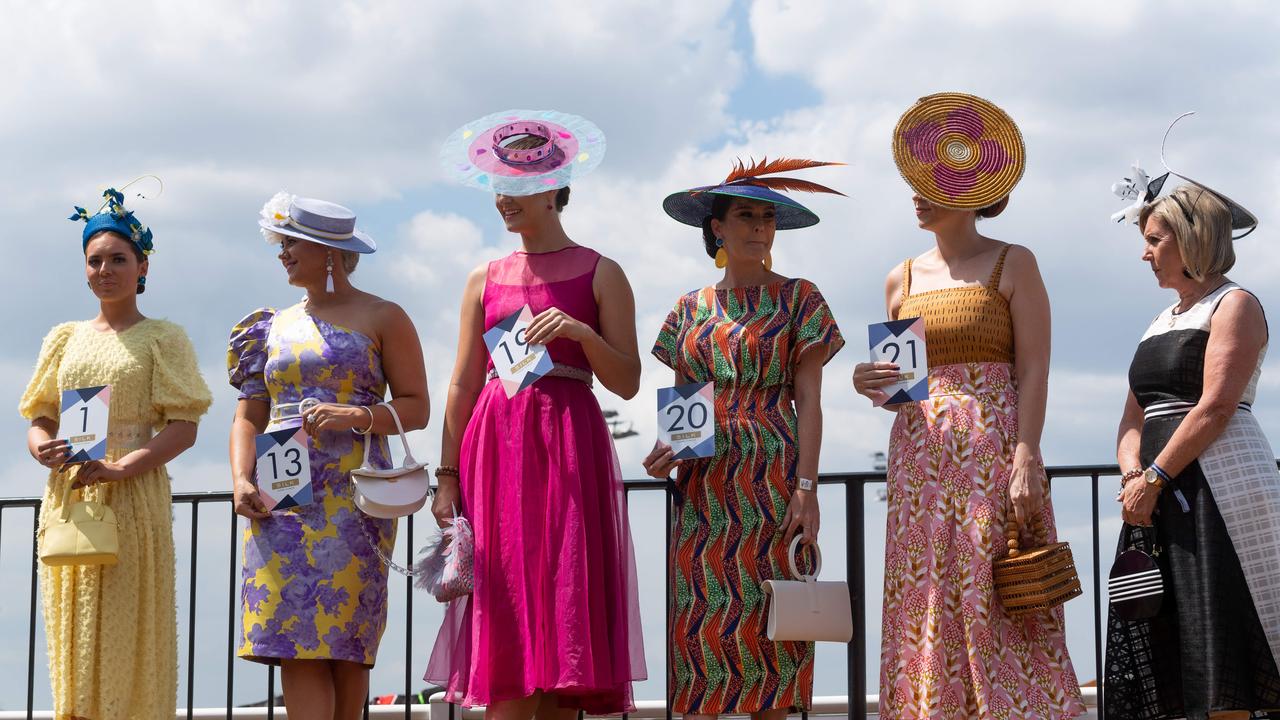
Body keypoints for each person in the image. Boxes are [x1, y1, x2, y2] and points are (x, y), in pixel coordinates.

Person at [853, 93, 1083, 718]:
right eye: (913, 182)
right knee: (925, 586)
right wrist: (867, 381)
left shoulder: (1013, 261)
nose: (916, 194)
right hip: (918, 457)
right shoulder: (898, 277)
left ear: (969, 188)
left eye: (930, 183)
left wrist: (1027, 455)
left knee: (994, 585)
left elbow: (1034, 366)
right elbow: (903, 385)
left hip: (992, 450)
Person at [426, 109, 645, 718]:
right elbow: (463, 381)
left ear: (554, 189)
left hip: (569, 446)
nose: (505, 198)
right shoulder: (483, 278)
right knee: (507, 607)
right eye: (499, 184)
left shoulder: (603, 271)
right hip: (495, 449)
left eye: (519, 185)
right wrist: (446, 477)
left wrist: (581, 332)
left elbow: (626, 381)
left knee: (564, 602)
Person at [643, 157, 846, 717]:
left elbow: (810, 401)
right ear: (717, 227)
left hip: (776, 483)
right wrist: (667, 453)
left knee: (774, 633)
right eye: (746, 215)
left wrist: (807, 486)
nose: (759, 226)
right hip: (704, 493)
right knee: (702, 632)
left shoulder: (801, 298)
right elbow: (683, 408)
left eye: (767, 217)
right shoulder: (688, 309)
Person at [228, 192, 429, 719]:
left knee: (348, 642)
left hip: (354, 491)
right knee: (294, 640)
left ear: (328, 251)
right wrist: (241, 479)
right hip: (281, 494)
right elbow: (248, 414)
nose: (283, 254)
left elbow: (417, 407)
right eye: (282, 244)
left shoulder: (384, 315)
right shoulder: (267, 325)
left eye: (291, 243)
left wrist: (356, 416)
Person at [21, 186, 212, 718]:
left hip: (133, 493)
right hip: (70, 492)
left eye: (118, 259)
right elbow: (38, 416)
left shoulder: (162, 337)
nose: (105, 269)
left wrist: (121, 467)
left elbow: (184, 425)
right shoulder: (63, 337)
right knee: (73, 623)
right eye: (95, 260)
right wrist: (44, 449)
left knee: (130, 624)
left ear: (142, 265)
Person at [1104, 145, 1280, 719]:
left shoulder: (1235, 304)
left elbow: (1216, 406)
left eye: (1155, 240)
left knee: (1223, 634)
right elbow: (1132, 419)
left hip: (1218, 492)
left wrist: (1154, 474)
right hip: (1157, 496)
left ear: (1193, 238)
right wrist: (1135, 475)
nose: (1145, 253)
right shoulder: (1161, 320)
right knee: (1171, 634)